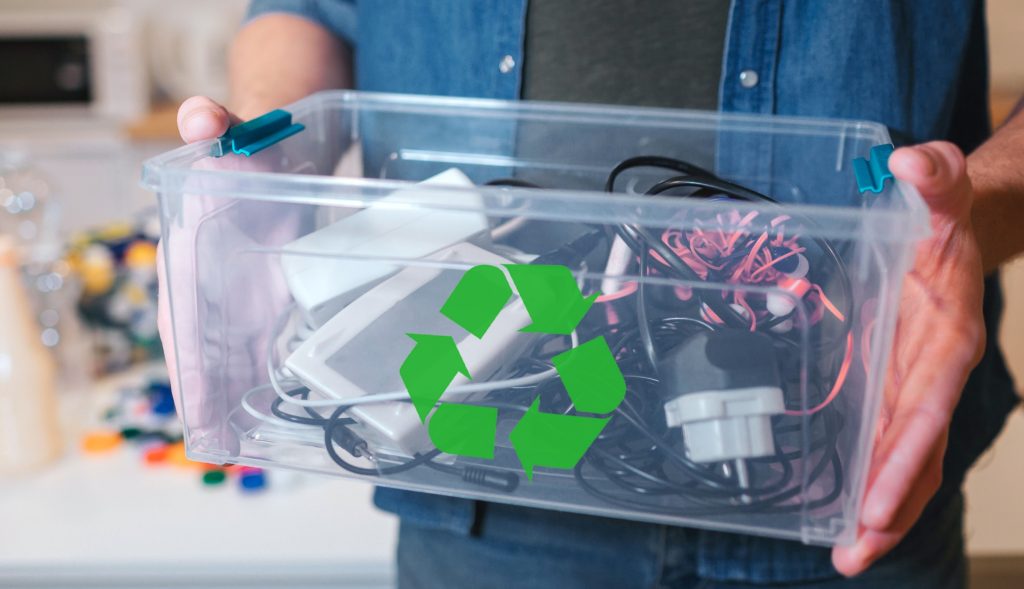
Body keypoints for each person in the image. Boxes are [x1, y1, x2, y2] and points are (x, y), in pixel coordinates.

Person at [167, 1, 1023, 587]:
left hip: (838, 458)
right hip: (472, 493)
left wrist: (958, 218)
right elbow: (308, 8)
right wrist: (264, 160)